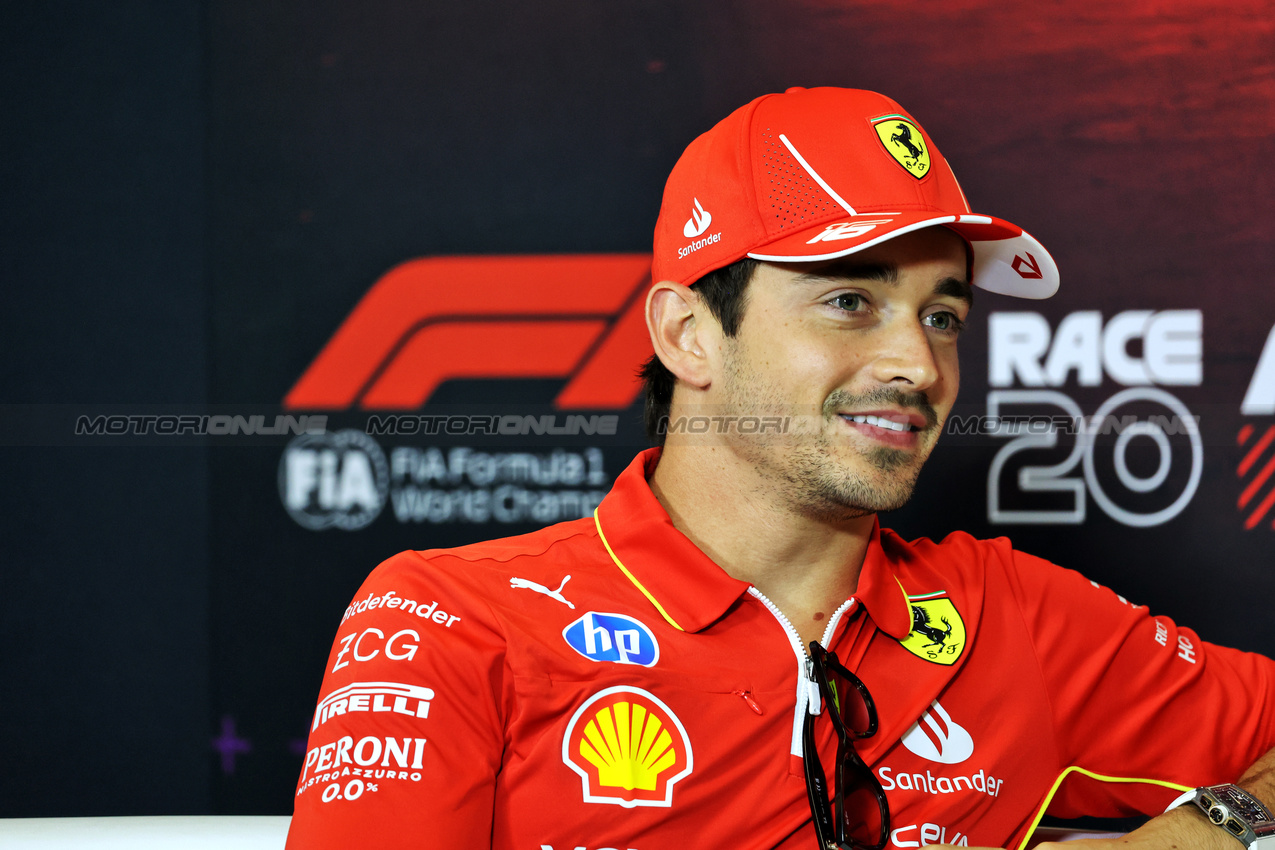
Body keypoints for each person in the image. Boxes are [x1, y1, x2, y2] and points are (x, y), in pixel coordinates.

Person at [285, 87, 1275, 850]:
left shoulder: (1016, 616)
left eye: (942, 316)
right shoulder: (451, 620)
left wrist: (1205, 826)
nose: (917, 365)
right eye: (851, 300)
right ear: (688, 334)